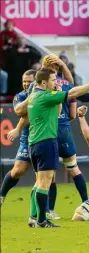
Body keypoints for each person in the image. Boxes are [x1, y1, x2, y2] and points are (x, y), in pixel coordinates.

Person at [18, 68, 89, 228]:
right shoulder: (45, 96)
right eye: (53, 80)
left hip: (35, 143)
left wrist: (57, 95)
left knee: (39, 182)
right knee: (44, 183)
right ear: (44, 83)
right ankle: (41, 220)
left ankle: (33, 217)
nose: (56, 82)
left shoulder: (33, 97)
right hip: (46, 142)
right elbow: (73, 93)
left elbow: (57, 110)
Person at [13, 54, 89, 219]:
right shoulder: (59, 87)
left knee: (43, 178)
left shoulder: (35, 89)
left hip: (35, 138)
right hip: (57, 132)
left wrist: (18, 129)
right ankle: (86, 203)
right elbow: (72, 107)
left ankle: (43, 212)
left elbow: (22, 112)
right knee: (70, 170)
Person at [0, 70, 36, 205]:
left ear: (37, 80)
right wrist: (32, 97)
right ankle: (1, 195)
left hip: (45, 136)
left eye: (29, 81)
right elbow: (21, 112)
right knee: (18, 170)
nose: (26, 84)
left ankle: (48, 209)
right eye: (24, 81)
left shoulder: (46, 94)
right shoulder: (20, 96)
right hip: (27, 138)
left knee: (48, 175)